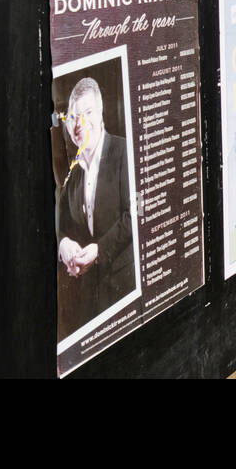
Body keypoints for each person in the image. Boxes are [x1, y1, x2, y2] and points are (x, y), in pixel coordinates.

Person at [57, 77, 133, 341]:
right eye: (74, 116)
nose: (80, 124)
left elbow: (136, 213)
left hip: (125, 291)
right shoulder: (74, 174)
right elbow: (63, 225)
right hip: (89, 300)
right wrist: (64, 244)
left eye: (87, 113)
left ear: (101, 114)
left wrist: (99, 250)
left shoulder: (124, 152)